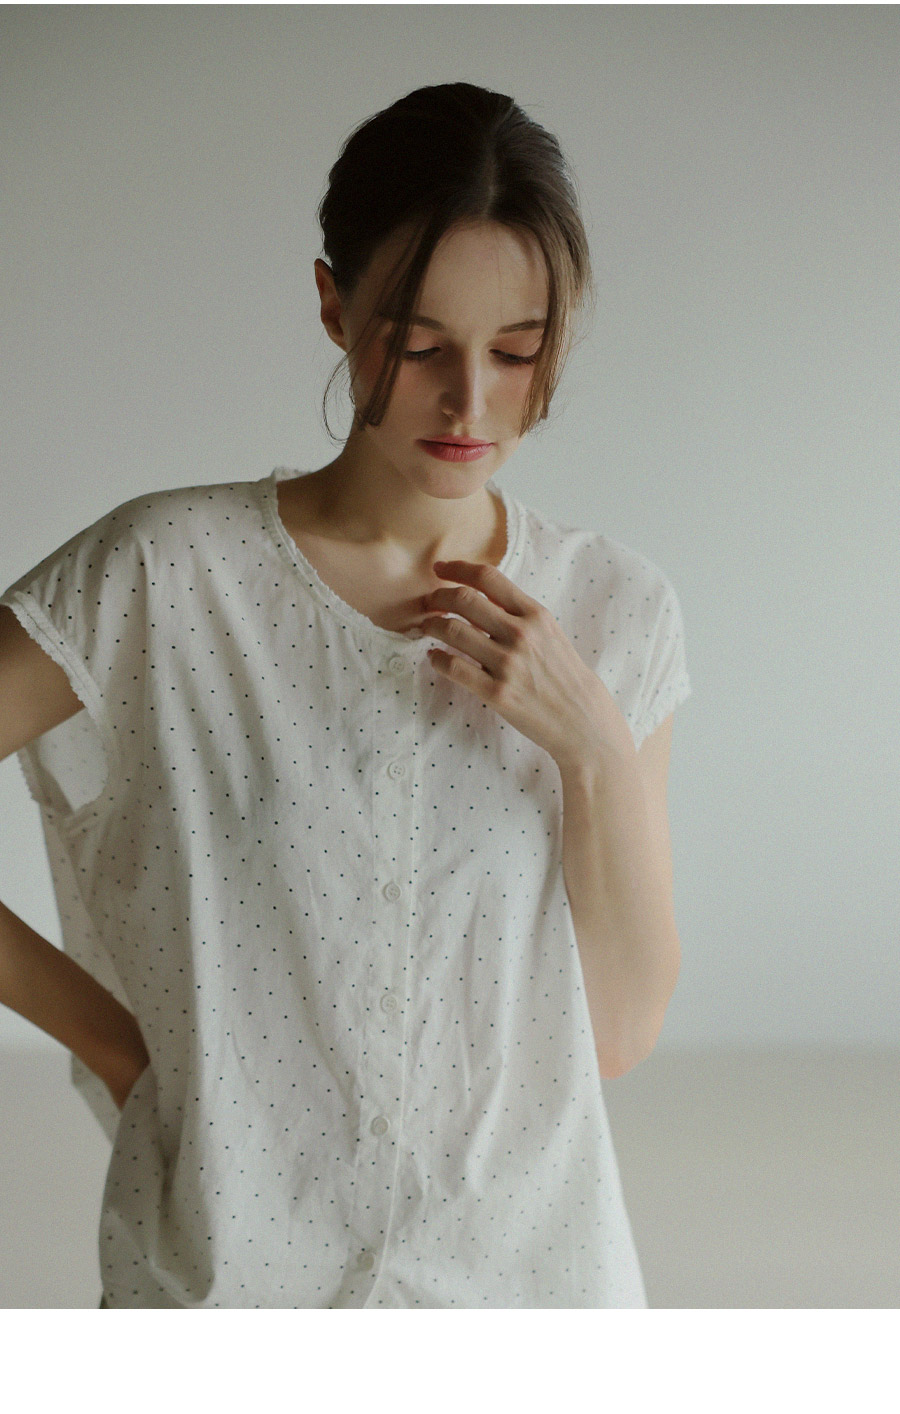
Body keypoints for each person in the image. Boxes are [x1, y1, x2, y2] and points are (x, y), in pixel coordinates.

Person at [0, 82, 691, 1308]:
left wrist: (591, 747)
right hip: (226, 1283)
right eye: (419, 345)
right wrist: (117, 1044)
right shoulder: (167, 576)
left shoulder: (614, 611)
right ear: (333, 305)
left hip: (527, 1295)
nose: (469, 402)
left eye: (516, 351)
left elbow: (619, 1032)